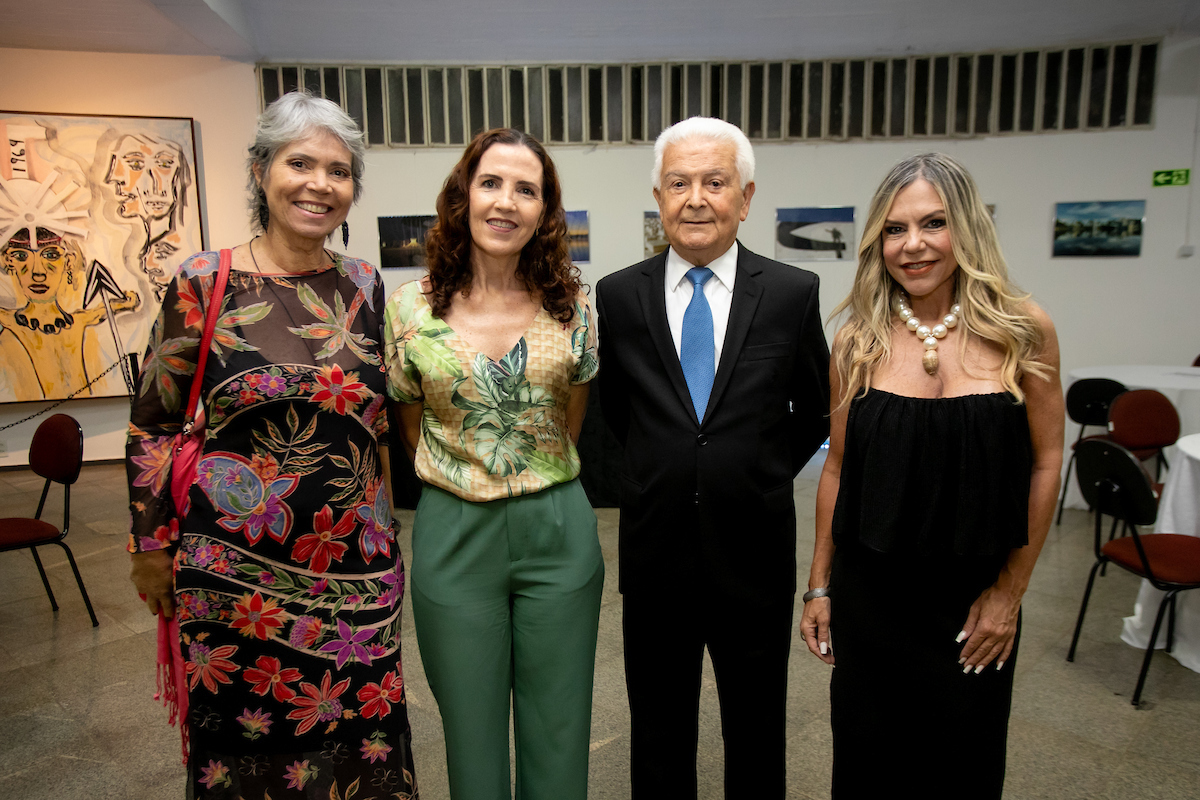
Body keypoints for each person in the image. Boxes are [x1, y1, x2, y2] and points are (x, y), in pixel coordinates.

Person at [126, 91, 417, 799]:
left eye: (339, 171)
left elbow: (375, 422)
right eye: (300, 163)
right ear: (262, 171)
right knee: (245, 752)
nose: (320, 184)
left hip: (359, 570)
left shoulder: (363, 285)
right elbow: (155, 423)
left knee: (363, 748)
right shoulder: (205, 280)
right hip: (232, 577)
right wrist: (150, 546)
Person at [798, 153, 1064, 798]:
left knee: (961, 768)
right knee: (868, 767)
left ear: (966, 230)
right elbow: (836, 467)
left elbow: (1048, 462)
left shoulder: (1024, 330)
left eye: (933, 223)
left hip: (973, 605)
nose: (912, 245)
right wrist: (818, 586)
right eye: (894, 229)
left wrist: (1008, 592)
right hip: (871, 600)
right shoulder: (856, 341)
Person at [596, 116, 831, 798]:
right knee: (659, 726)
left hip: (752, 547)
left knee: (755, 725)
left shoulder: (791, 293)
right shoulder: (619, 294)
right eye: (679, 183)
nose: (696, 198)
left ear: (746, 198)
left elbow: (816, 409)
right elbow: (617, 411)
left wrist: (754, 471)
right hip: (654, 548)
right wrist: (658, 471)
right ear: (659, 197)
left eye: (715, 182)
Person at [383, 128, 601, 800]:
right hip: (454, 532)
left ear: (544, 211)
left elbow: (570, 419)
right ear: (463, 195)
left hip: (558, 531)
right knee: (470, 731)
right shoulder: (411, 311)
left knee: (560, 725)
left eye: (526, 189)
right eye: (491, 183)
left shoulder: (573, 307)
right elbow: (410, 421)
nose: (506, 202)